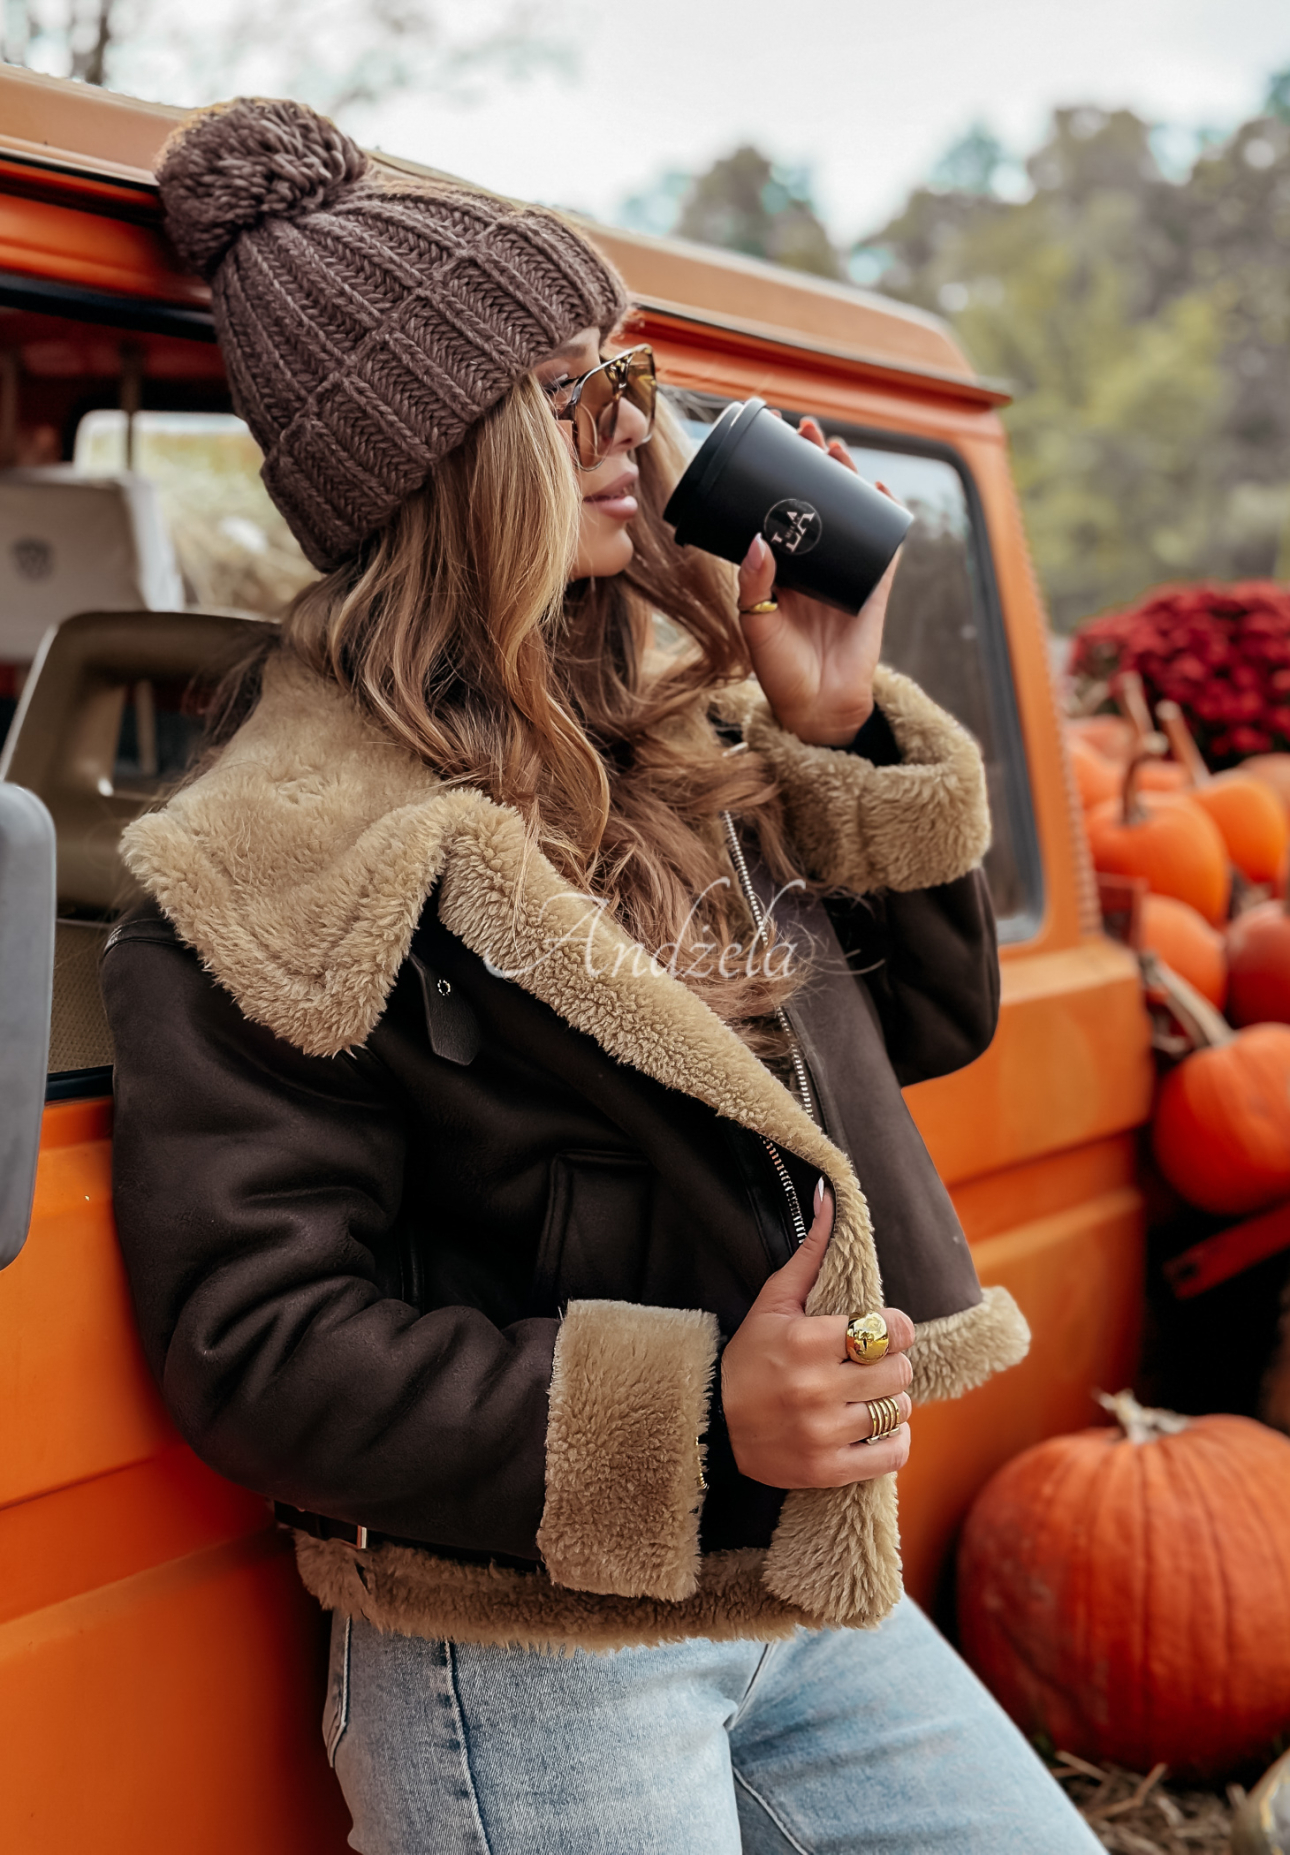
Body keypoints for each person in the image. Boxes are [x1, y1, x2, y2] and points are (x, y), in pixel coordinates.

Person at [102, 97, 1099, 1855]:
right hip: (525, 1648)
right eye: (568, 397)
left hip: (782, 1594)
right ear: (442, 454)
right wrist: (703, 1420)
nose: (631, 431)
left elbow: (923, 1032)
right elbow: (256, 1346)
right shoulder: (272, 854)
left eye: (626, 375)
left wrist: (836, 722)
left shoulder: (673, 734)